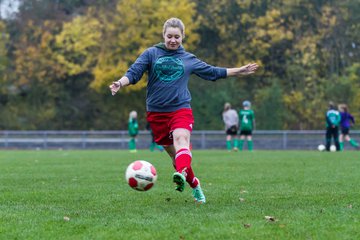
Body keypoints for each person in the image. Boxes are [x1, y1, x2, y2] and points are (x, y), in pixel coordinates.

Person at [109, 17, 259, 203]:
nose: (173, 40)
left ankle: (180, 173)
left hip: (180, 109)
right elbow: (134, 72)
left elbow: (212, 72)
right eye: (169, 36)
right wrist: (120, 83)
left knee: (182, 140)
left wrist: (239, 71)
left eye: (177, 37)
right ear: (163, 35)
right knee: (174, 154)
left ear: (182, 37)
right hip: (156, 114)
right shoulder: (151, 54)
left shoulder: (188, 59)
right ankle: (195, 184)